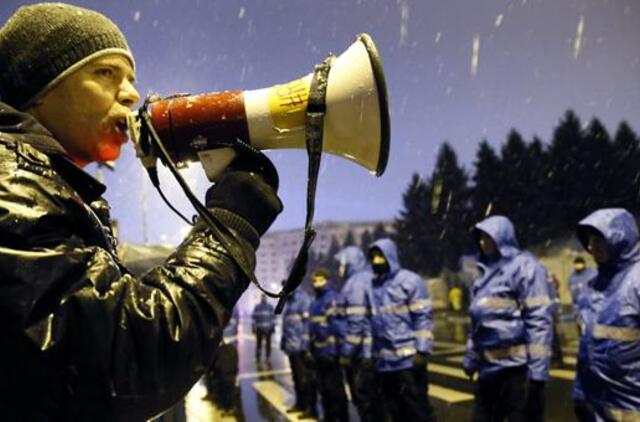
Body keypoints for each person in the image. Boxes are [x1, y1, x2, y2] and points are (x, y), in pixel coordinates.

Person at [0, 4, 282, 420]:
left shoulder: (40, 183)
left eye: (131, 77)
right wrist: (230, 226)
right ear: (42, 88)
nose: (132, 93)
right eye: (105, 74)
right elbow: (120, 362)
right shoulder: (10, 181)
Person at [462, 215, 553, 422]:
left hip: (518, 372)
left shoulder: (525, 267)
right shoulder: (482, 275)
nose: (484, 242)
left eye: (489, 237)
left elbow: (538, 319)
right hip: (488, 372)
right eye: (481, 238)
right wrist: (471, 357)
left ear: (502, 237)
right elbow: (476, 324)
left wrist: (538, 372)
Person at [573, 208, 640, 420]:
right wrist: (579, 392)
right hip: (596, 407)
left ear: (618, 238)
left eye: (599, 239)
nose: (591, 247)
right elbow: (586, 347)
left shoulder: (636, 282)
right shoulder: (592, 286)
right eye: (589, 241)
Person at [367, 238, 436, 422]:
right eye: (372, 257)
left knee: (417, 412)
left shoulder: (410, 280)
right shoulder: (374, 286)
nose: (375, 261)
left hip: (407, 364)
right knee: (395, 412)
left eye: (379, 256)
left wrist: (422, 350)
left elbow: (423, 317)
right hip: (385, 365)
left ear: (389, 256)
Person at [335, 246, 382, 422]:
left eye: (341, 263)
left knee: (363, 399)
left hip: (360, 354)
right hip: (373, 351)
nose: (340, 267)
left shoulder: (355, 284)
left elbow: (356, 322)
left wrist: (347, 352)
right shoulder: (370, 277)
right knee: (378, 400)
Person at [307, 268, 349, 422]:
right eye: (315, 280)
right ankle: (329, 417)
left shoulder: (332, 299)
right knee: (325, 390)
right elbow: (312, 329)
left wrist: (341, 352)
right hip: (319, 353)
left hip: (331, 354)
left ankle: (341, 418)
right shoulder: (315, 302)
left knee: (335, 390)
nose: (317, 284)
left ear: (328, 280)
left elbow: (340, 327)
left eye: (320, 280)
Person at [280, 283, 317, 416]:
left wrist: (306, 347)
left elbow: (308, 325)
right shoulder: (289, 302)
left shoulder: (303, 299)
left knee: (305, 379)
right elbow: (286, 325)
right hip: (292, 347)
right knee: (296, 378)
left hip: (301, 348)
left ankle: (310, 408)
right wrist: (283, 343)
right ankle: (300, 404)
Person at [205, 307, 241, 417]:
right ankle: (221, 401)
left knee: (228, 378)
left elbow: (230, 325)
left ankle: (230, 406)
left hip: (228, 346)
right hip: (217, 346)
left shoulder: (231, 306)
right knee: (216, 375)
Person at [252, 295, 276, 362]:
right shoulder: (257, 307)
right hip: (260, 329)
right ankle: (258, 357)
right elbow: (254, 319)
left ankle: (267, 357)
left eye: (264, 297)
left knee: (267, 344)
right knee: (259, 344)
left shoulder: (270, 307)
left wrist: (273, 328)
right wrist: (253, 328)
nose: (263, 298)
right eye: (262, 297)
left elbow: (273, 318)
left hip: (267, 329)